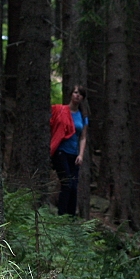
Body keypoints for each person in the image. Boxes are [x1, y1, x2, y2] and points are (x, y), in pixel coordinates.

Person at [50, 84, 89, 216]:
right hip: (61, 152)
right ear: (71, 94)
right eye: (75, 92)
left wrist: (81, 155)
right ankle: (61, 216)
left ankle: (71, 218)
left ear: (82, 98)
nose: (77, 95)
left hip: (74, 154)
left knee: (73, 187)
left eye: (80, 94)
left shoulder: (83, 117)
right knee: (66, 183)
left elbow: (83, 137)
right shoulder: (60, 110)